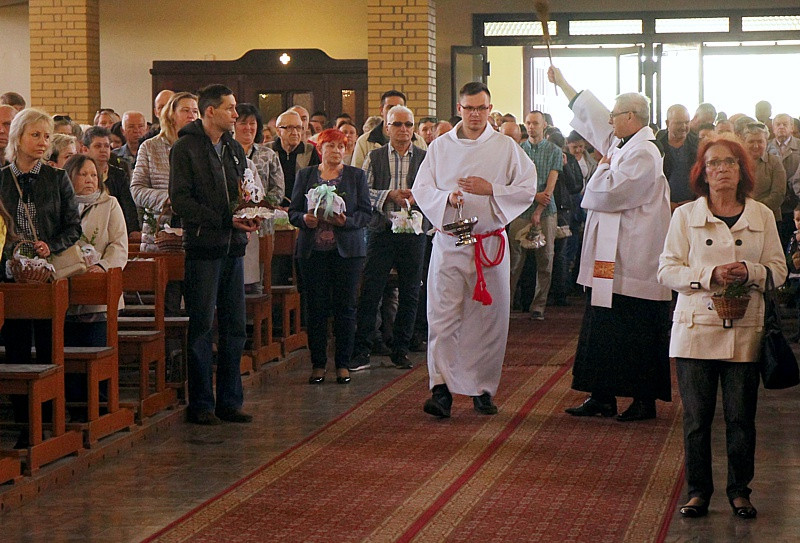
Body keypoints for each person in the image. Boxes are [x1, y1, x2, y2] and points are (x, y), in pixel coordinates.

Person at [658, 136, 787, 520]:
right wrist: (708, 274)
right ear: (703, 172)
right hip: (696, 327)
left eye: (730, 162)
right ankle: (698, 491)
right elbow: (666, 270)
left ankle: (739, 491)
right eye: (714, 163)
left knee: (740, 418)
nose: (722, 170)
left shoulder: (761, 215)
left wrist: (751, 271)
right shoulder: (685, 216)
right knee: (697, 419)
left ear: (742, 170)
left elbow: (780, 271)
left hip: (744, 328)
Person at [548, 65, 673, 422]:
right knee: (601, 327)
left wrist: (601, 169)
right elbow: (595, 118)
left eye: (618, 115)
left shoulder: (643, 153)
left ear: (632, 118)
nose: (611, 122)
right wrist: (565, 83)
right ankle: (602, 396)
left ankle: (643, 401)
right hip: (611, 262)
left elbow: (605, 194)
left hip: (633, 263)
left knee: (635, 332)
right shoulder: (623, 143)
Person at [412, 82, 537, 418]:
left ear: (490, 109)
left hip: (488, 242)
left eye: (482, 108)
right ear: (459, 108)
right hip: (452, 239)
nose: (475, 115)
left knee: (488, 319)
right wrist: (446, 199)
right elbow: (421, 188)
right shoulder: (440, 147)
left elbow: (527, 187)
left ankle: (482, 389)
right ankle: (440, 389)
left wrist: (491, 189)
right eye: (469, 108)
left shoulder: (505, 147)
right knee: (442, 315)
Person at [169, 84, 259, 425]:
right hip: (204, 248)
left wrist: (248, 211)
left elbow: (242, 191)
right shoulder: (185, 148)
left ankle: (230, 401)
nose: (236, 115)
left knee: (235, 327)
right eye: (230, 108)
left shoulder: (234, 148)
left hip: (233, 248)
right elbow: (181, 201)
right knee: (203, 326)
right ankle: (202, 404)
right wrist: (225, 219)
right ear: (210, 112)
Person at [288, 129, 371, 385]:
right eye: (330, 146)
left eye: (340, 146)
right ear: (320, 149)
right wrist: (305, 219)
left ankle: (343, 364)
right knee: (316, 309)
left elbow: (366, 214)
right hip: (313, 253)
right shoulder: (306, 175)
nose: (335, 151)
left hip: (347, 253)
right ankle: (318, 364)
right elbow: (293, 211)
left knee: (346, 307)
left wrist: (346, 221)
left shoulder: (356, 176)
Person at [0, 108, 82, 367]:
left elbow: (73, 227)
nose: (43, 142)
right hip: (11, 275)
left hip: (49, 272)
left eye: (47, 136)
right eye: (35, 135)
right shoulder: (2, 179)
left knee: (50, 346)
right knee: (16, 345)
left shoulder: (57, 178)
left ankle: (51, 406)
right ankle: (22, 406)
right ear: (17, 136)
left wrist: (51, 245)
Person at [350, 105, 427, 372]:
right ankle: (362, 351)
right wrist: (388, 196)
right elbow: (363, 191)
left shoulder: (425, 157)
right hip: (381, 231)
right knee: (371, 290)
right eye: (397, 125)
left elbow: (433, 190)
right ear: (387, 127)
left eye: (408, 124)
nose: (403, 130)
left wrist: (417, 197)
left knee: (410, 291)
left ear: (414, 128)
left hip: (413, 232)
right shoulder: (375, 156)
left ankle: (401, 350)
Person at [509, 110, 562, 320]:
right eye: (528, 123)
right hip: (520, 209)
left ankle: (538, 306)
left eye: (536, 123)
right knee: (514, 261)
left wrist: (539, 210)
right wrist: (532, 197)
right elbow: (514, 183)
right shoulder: (518, 150)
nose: (531, 127)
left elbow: (551, 184)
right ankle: (507, 303)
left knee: (545, 260)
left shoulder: (554, 151)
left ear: (544, 126)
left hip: (546, 211)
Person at [81, 126, 140, 237]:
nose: (103, 150)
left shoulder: (118, 174)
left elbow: (128, 204)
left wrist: (133, 230)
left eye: (107, 146)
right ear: (85, 150)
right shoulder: (78, 174)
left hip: (115, 227)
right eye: (98, 146)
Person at [351, 90, 426, 169]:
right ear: (381, 110)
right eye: (390, 107)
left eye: (399, 107)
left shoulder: (418, 141)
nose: (395, 110)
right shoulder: (365, 141)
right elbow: (357, 174)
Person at [266, 109, 320, 206]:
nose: (295, 132)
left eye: (298, 128)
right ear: (278, 131)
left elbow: (315, 184)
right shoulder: (267, 150)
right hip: (271, 206)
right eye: (289, 128)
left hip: (301, 207)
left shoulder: (310, 150)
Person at [233, 103, 285, 203]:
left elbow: (278, 189)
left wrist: (262, 206)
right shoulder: (227, 153)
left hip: (264, 212)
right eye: (243, 123)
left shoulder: (268, 155)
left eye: (252, 123)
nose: (248, 127)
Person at [656, 104, 699, 211]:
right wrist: (667, 204)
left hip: (693, 207)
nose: (684, 127)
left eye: (686, 122)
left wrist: (697, 201)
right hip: (662, 209)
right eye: (679, 123)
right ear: (667, 123)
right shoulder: (656, 147)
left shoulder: (698, 145)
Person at [767, 113, 800, 247]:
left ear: (791, 127)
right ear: (773, 128)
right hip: (775, 206)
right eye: (778, 124)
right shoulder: (766, 147)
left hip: (795, 204)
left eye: (785, 124)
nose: (781, 127)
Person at [742, 122, 785, 222]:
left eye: (760, 141)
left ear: (766, 142)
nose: (756, 146)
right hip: (742, 218)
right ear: (744, 142)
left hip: (769, 218)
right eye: (751, 141)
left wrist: (754, 209)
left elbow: (778, 194)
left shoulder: (775, 162)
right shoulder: (737, 163)